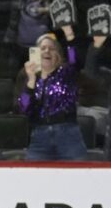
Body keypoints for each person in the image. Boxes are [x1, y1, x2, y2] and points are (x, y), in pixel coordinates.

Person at [17, 29, 88, 160]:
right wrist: (31, 80)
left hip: (68, 134)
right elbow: (24, 109)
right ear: (36, 53)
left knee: (79, 176)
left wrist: (69, 33)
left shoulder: (67, 72)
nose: (47, 51)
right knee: (33, 177)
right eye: (42, 48)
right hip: (40, 136)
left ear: (58, 55)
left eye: (52, 48)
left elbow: (74, 59)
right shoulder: (30, 78)